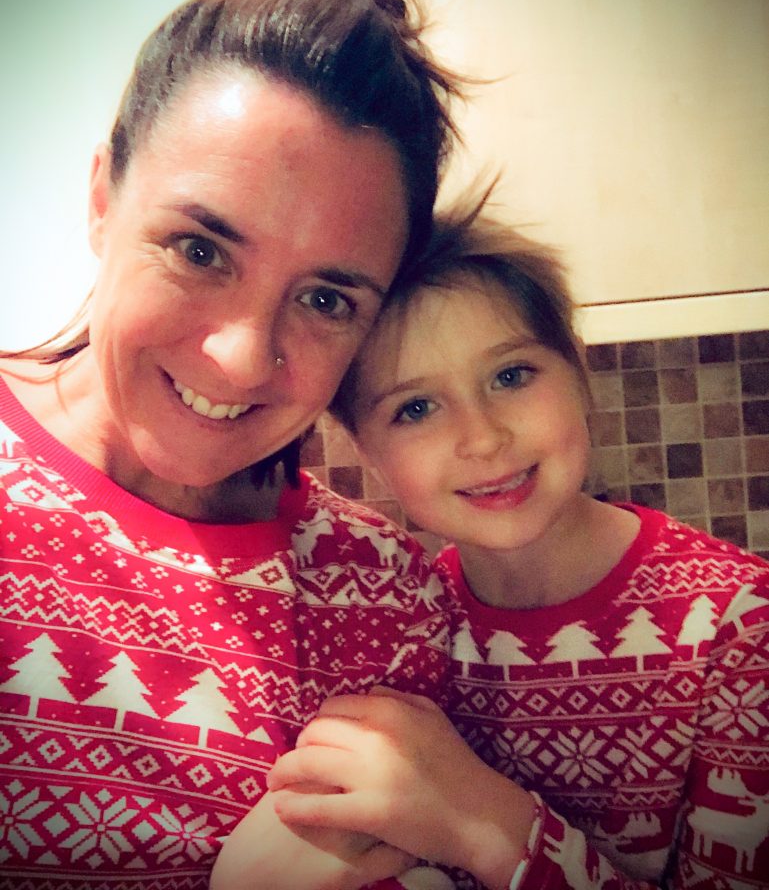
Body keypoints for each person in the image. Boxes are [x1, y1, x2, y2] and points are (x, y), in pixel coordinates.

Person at [0, 0, 482, 889]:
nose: (237, 356)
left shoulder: (387, 592)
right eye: (200, 248)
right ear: (102, 199)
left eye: (327, 299)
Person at [265, 198, 769, 889]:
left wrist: (482, 819)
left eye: (510, 376)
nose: (482, 438)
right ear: (367, 449)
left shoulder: (738, 625)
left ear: (575, 369)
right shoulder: (400, 625)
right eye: (414, 408)